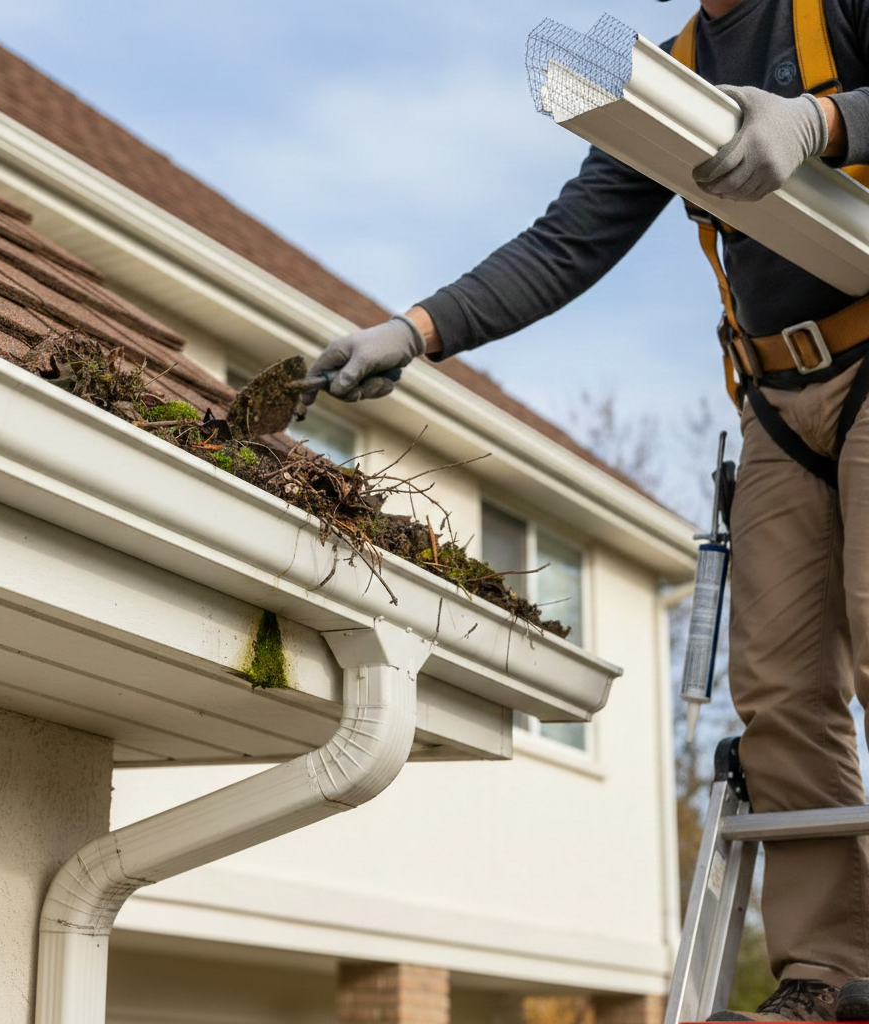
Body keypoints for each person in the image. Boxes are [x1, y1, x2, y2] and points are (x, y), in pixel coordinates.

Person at [302, 1, 869, 1020]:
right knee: (779, 688)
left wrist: (819, 125)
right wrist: (414, 330)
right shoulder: (669, 79)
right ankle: (824, 968)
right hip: (775, 403)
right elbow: (567, 242)